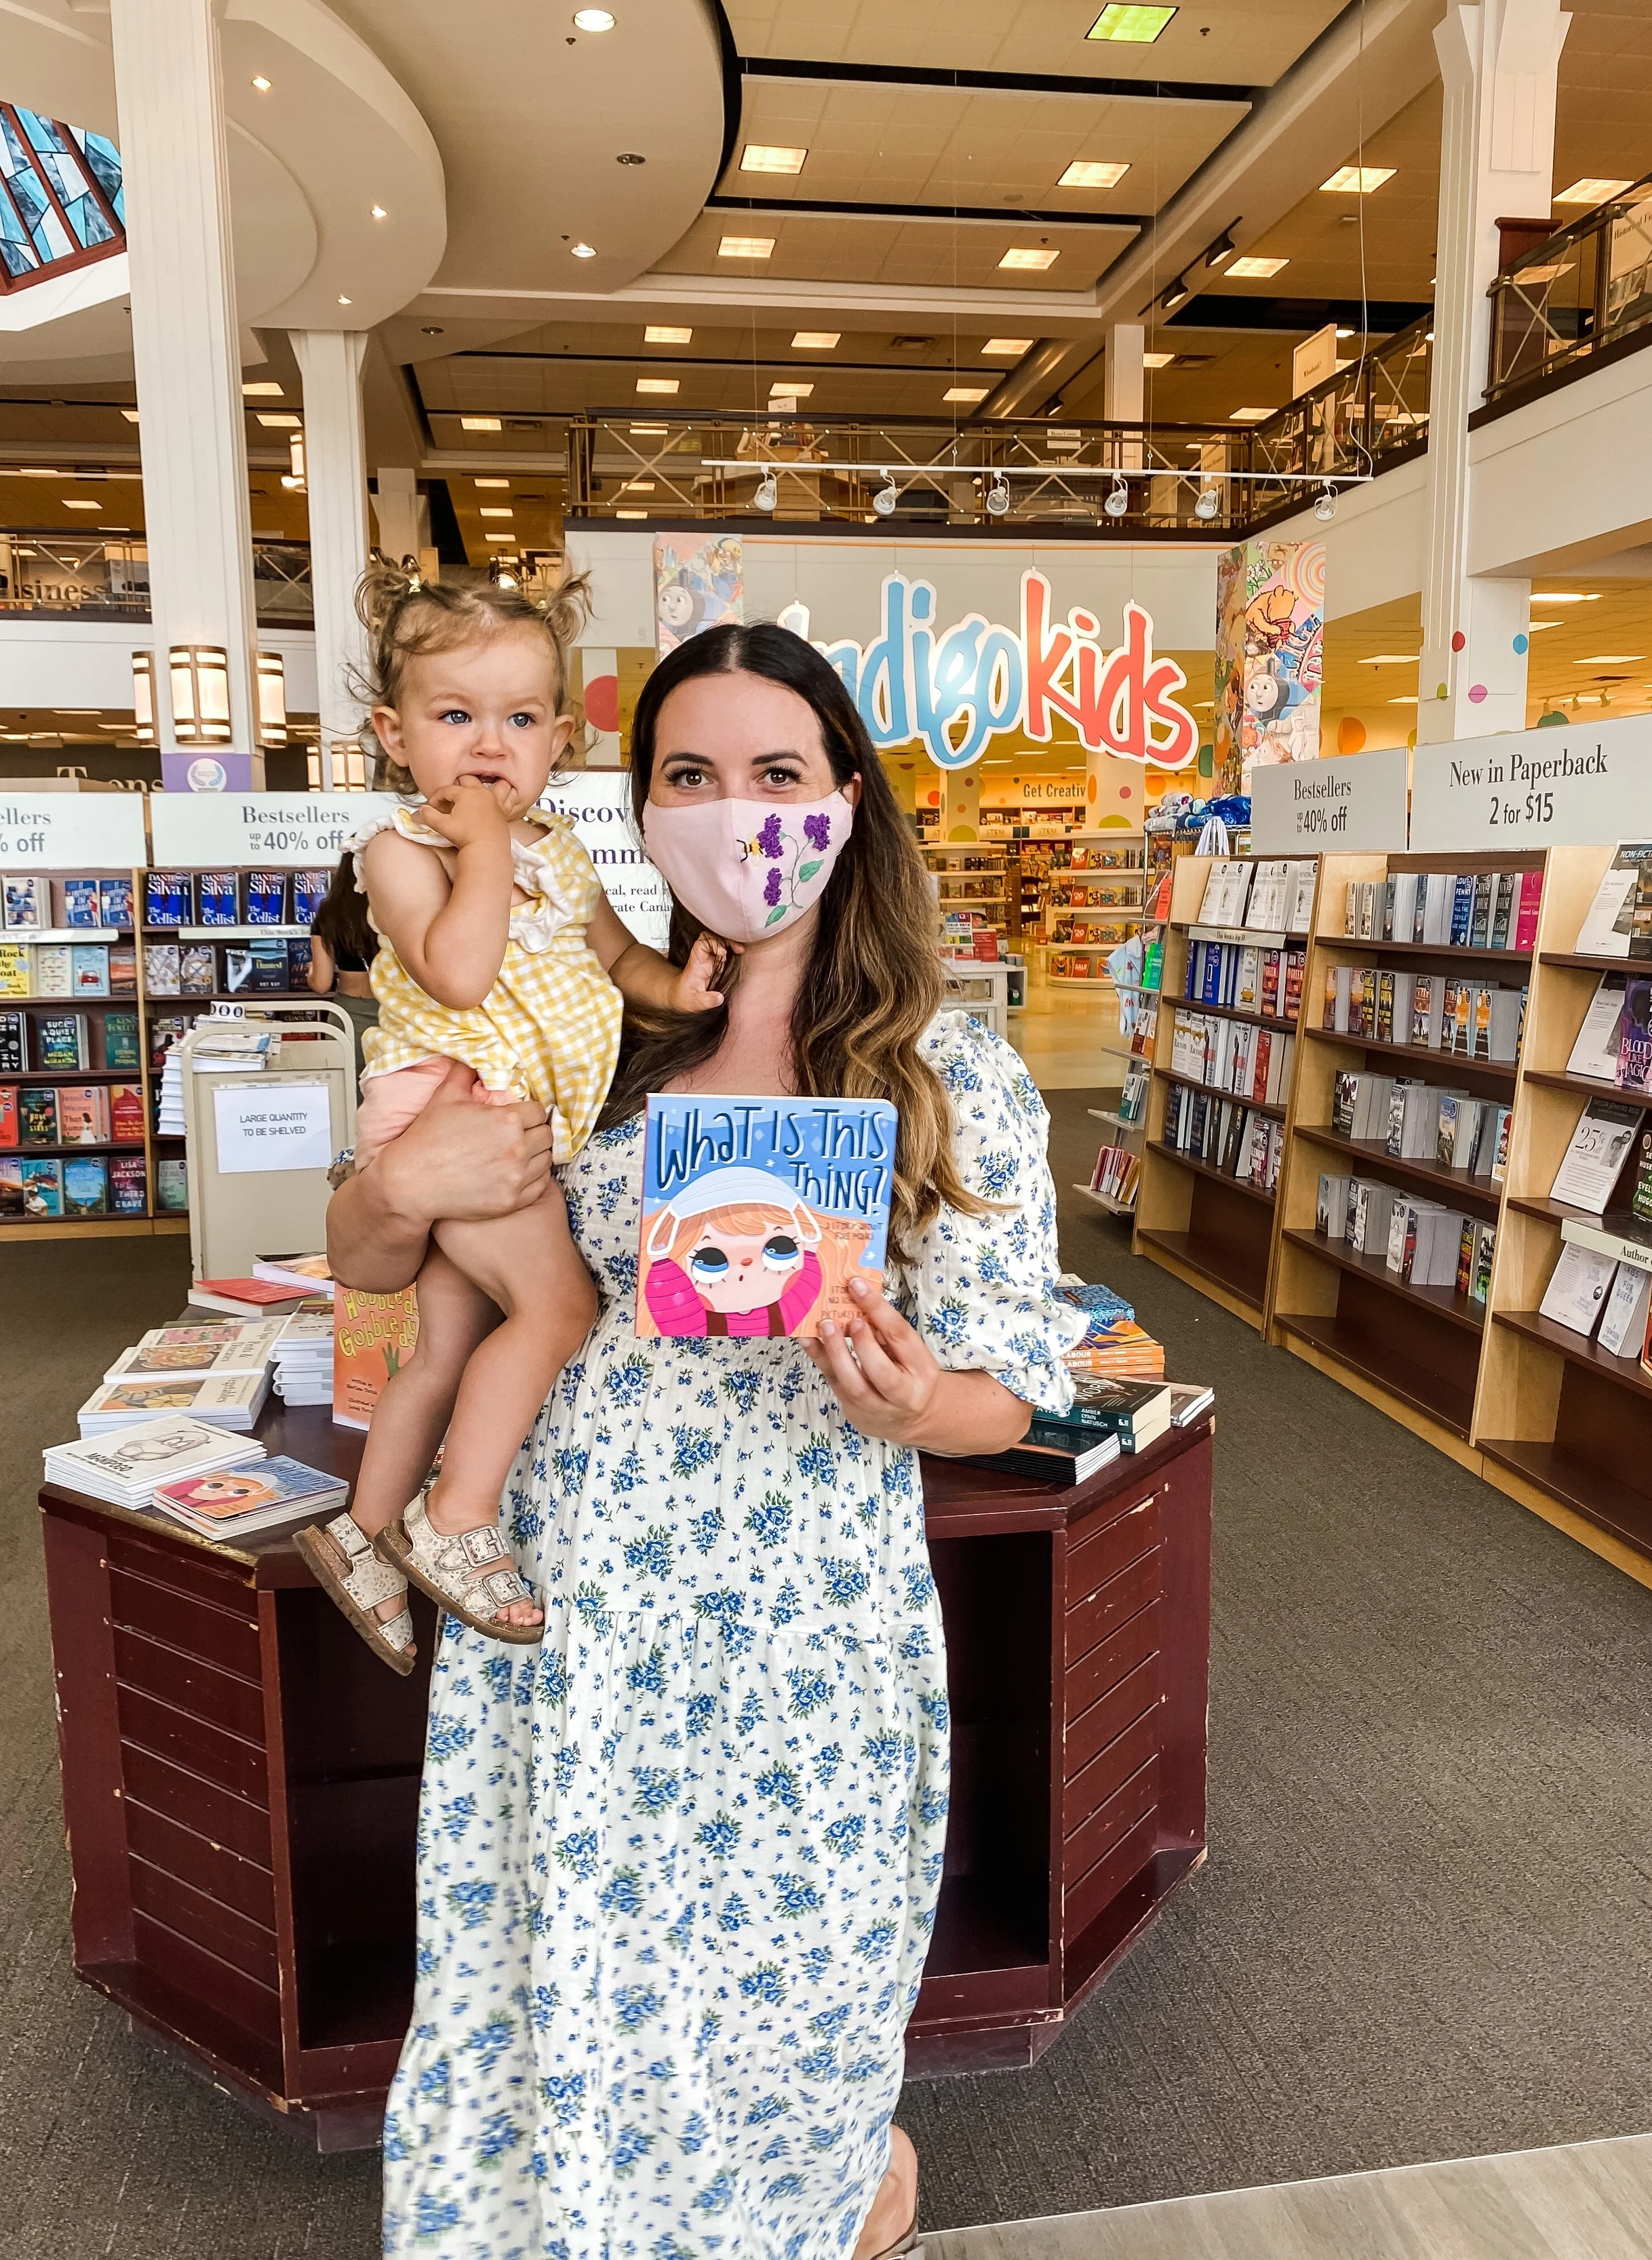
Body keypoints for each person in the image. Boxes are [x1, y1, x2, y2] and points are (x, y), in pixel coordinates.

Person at [327, 620, 1085, 2260]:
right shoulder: (587, 1036)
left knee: (782, 2010)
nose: (736, 814)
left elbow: (1012, 1383)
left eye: (777, 773)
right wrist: (386, 1191)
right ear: (638, 804)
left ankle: (823, 2211)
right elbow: (383, 1271)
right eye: (688, 775)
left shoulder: (947, 1067)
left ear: (849, 798)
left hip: (804, 1640)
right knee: (552, 1990)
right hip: (570, 1623)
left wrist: (914, 1401)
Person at [295, 560, 724, 1674]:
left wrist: (673, 987)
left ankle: (361, 1529)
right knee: (557, 1307)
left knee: (445, 1345)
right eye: (455, 715)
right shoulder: (403, 850)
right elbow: (459, 970)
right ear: (396, 734)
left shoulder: (564, 852)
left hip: (502, 1113)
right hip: (457, 1109)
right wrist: (483, 846)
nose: (490, 745)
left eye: (520, 717)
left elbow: (614, 953)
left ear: (557, 740)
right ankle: (458, 1515)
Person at [307, 850, 380, 1067]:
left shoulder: (330, 911)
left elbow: (321, 984)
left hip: (349, 1015)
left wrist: (311, 973)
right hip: (398, 1011)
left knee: (348, 1092)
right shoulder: (394, 907)